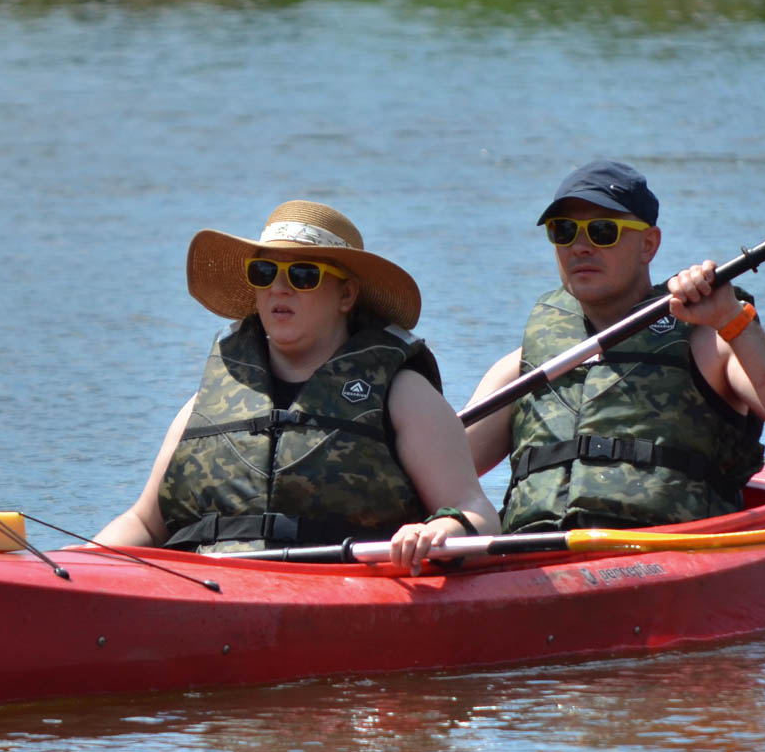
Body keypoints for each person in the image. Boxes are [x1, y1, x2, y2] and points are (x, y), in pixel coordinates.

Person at [94, 200, 498, 572]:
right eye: (264, 272)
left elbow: (476, 511)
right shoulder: (206, 403)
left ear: (346, 294)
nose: (279, 288)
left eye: (303, 274)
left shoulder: (404, 394)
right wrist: (69, 567)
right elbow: (145, 523)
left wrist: (442, 530)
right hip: (207, 586)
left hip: (346, 589)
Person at [463, 160, 765, 533]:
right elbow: (444, 470)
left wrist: (732, 319)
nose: (580, 246)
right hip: (533, 555)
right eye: (564, 231)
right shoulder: (524, 365)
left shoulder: (708, 342)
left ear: (649, 245)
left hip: (666, 553)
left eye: (603, 231)